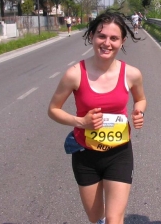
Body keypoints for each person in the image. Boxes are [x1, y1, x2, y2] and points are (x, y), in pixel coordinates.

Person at [48, 12, 146, 224]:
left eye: (114, 38)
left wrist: (139, 112)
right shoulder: (75, 73)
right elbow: (53, 110)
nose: (107, 43)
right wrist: (81, 122)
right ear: (92, 36)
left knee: (114, 219)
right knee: (96, 218)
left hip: (119, 152)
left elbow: (141, 99)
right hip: (86, 155)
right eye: (102, 36)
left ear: (122, 42)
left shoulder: (132, 74)